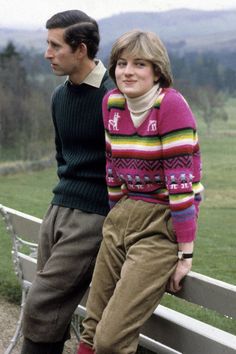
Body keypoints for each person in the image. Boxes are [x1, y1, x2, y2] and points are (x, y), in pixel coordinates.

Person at [77, 29, 204, 354]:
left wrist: (185, 253)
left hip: (160, 224)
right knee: (90, 331)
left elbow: (180, 187)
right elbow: (112, 166)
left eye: (139, 64)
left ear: (157, 70)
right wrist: (116, 216)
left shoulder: (170, 106)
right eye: (121, 63)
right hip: (123, 216)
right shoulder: (112, 103)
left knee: (110, 340)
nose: (127, 71)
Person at [20, 10, 114, 354]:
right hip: (57, 208)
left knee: (41, 303)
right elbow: (64, 159)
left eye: (54, 46)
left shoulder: (112, 97)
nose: (47, 54)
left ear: (81, 49)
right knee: (51, 310)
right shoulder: (59, 97)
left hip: (93, 215)